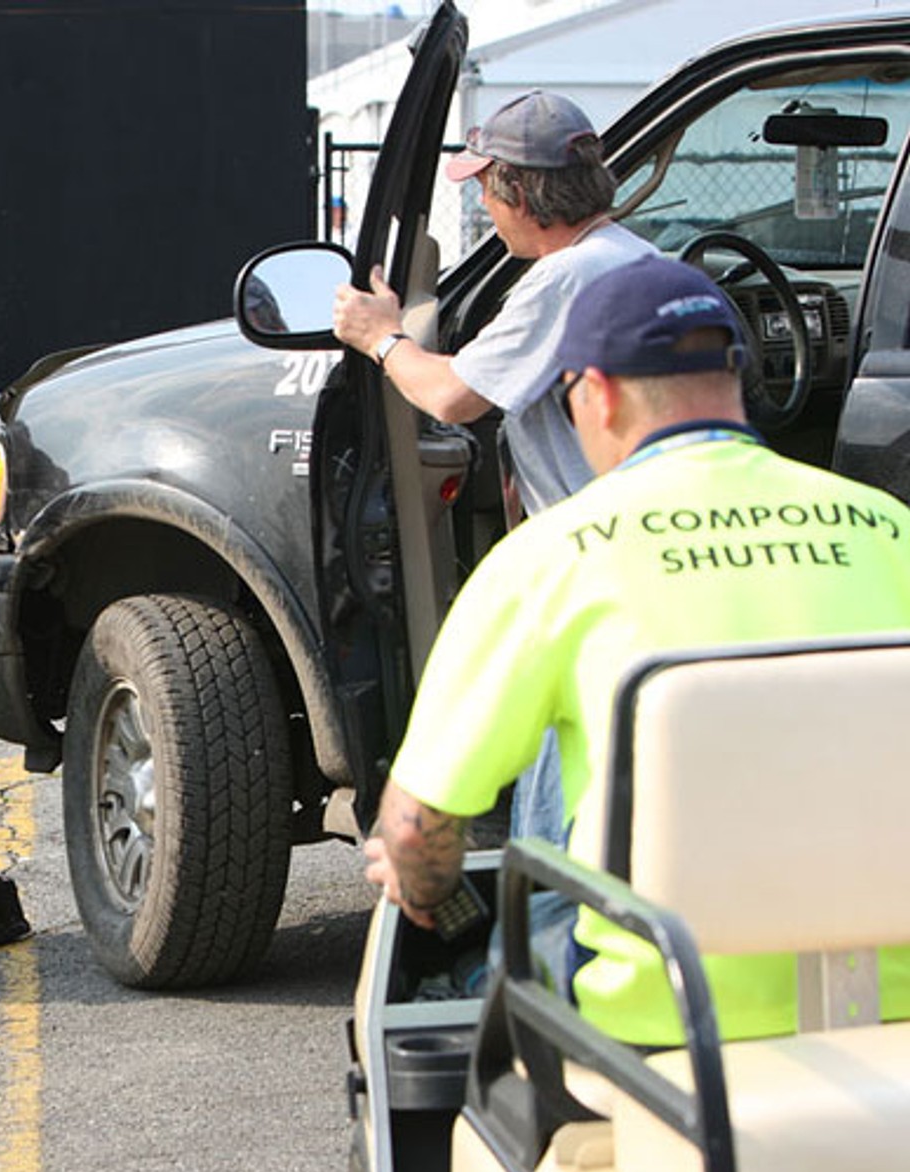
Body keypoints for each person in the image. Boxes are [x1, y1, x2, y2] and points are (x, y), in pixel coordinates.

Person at [365, 256, 910, 1047]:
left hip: (659, 1029)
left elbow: (416, 830)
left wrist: (426, 888)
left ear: (596, 392)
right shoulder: (887, 528)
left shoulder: (549, 559)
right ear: (736, 377)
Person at [333, 89, 657, 848]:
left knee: (556, 800)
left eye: (486, 184)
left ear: (522, 191)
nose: (483, 202)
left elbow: (451, 395)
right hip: (640, 567)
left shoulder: (563, 279)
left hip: (588, 575)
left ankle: (545, 928)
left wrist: (382, 338)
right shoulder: (637, 258)